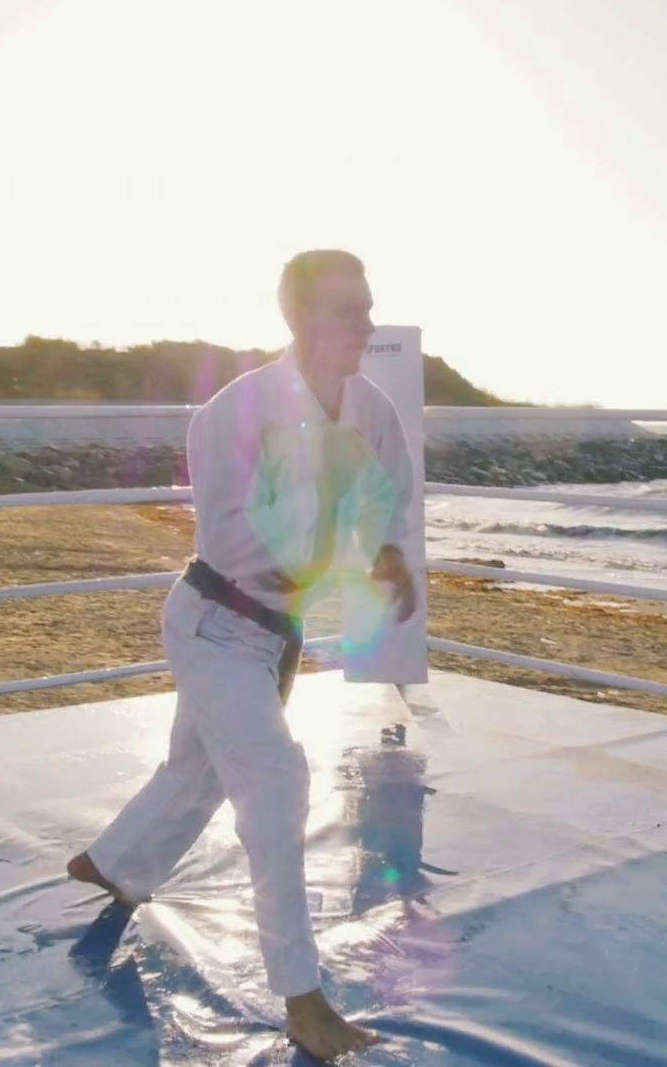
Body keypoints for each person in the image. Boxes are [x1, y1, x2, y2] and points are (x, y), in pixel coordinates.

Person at [68, 248, 418, 1061]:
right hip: (215, 625)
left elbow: (390, 490)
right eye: (347, 310)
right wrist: (334, 561)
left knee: (195, 771)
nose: (365, 324)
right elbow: (228, 538)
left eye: (368, 308)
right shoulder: (232, 413)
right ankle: (303, 1000)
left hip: (275, 634)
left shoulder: (369, 409)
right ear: (296, 317)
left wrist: (387, 551)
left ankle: (110, 864)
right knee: (276, 782)